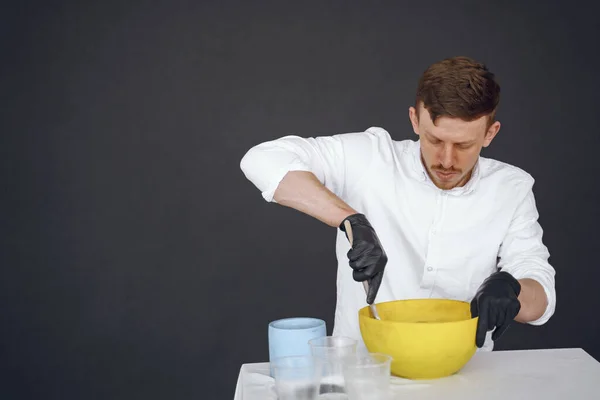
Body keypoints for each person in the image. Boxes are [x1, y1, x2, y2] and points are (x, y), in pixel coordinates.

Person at [239, 56, 556, 351]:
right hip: (363, 372)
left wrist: (513, 290)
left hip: (464, 374)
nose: (446, 160)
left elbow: (541, 293)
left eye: (464, 144)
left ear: (490, 133)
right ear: (415, 120)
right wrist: (351, 220)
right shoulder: (371, 157)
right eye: (434, 140)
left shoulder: (512, 188)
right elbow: (262, 160)